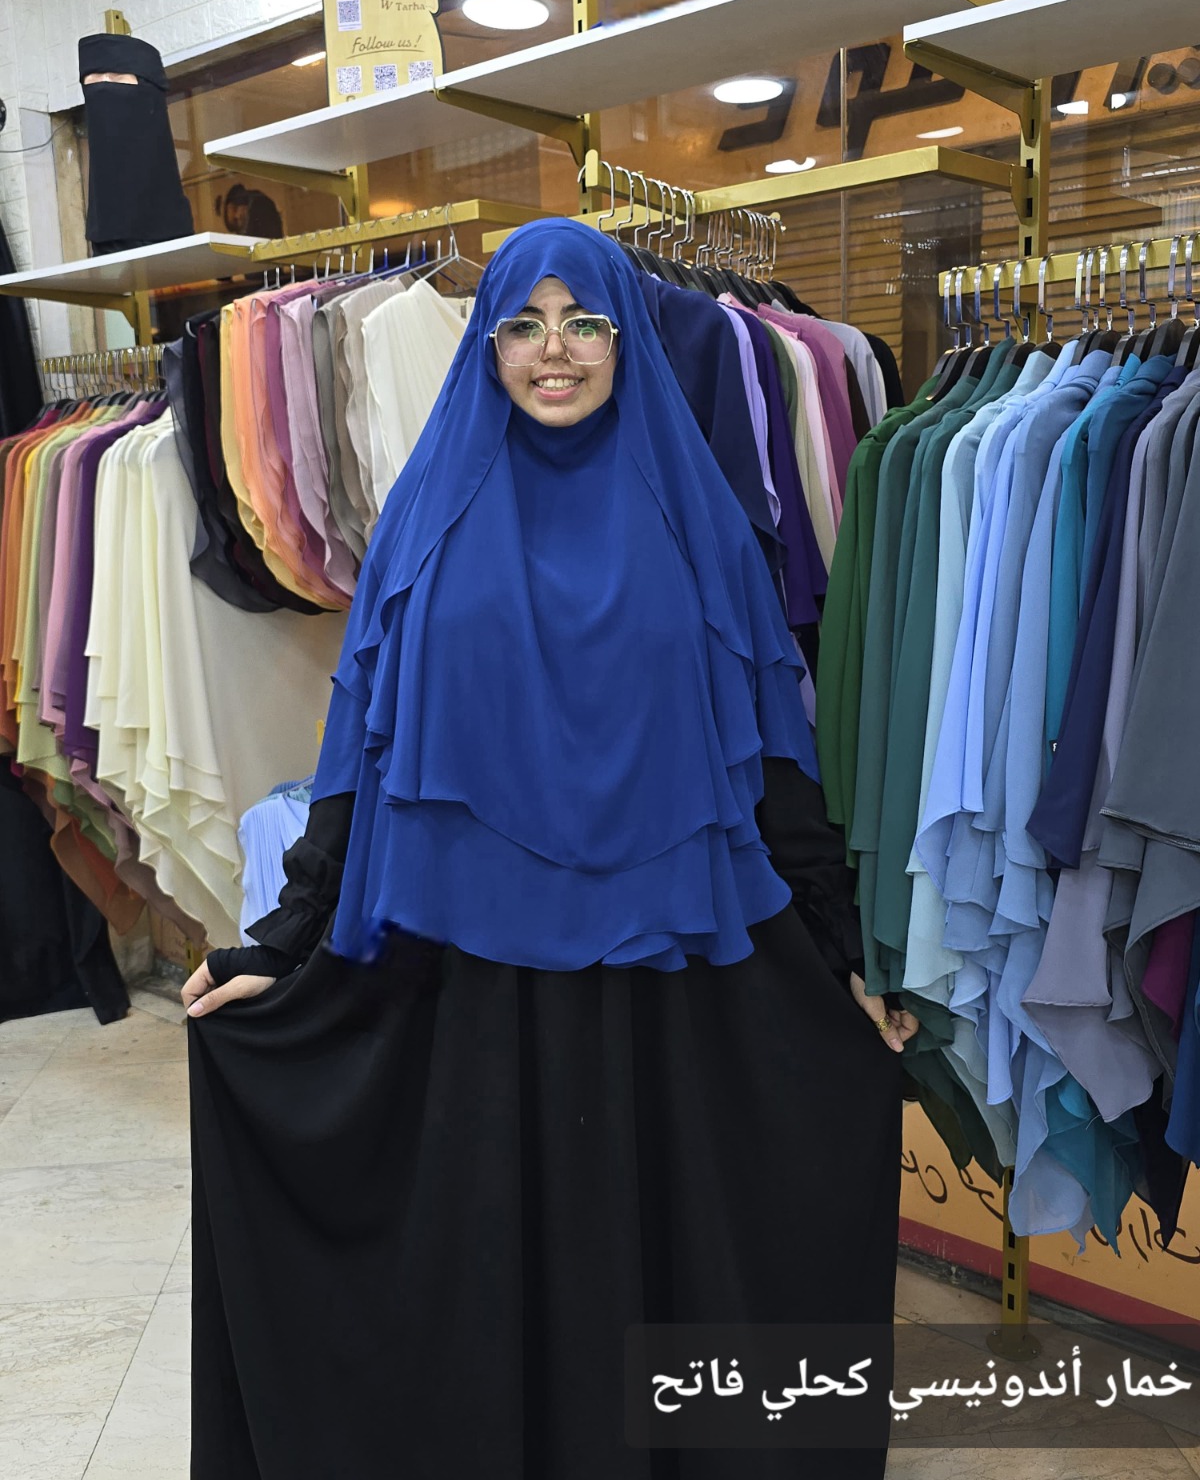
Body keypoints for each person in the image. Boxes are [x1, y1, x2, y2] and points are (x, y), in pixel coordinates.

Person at [183, 218, 913, 1480]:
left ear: (629, 341)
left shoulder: (703, 525)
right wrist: (284, 941)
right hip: (471, 976)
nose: (555, 351)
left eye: (586, 324)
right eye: (523, 324)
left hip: (668, 972)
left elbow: (771, 757)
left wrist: (845, 947)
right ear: (488, 342)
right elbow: (361, 753)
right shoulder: (424, 522)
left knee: (675, 1247)